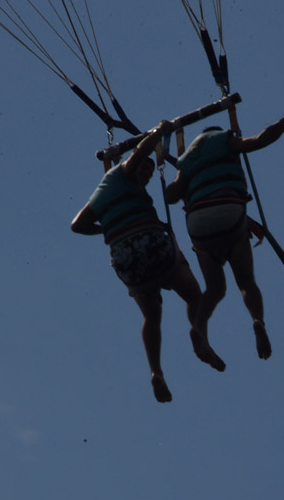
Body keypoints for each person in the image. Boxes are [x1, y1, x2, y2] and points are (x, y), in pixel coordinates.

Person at [71, 120, 225, 402]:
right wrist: (158, 132)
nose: (147, 175)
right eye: (146, 170)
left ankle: (156, 372)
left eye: (150, 174)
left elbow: (77, 226)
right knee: (194, 295)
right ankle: (199, 337)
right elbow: (139, 154)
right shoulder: (124, 172)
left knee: (151, 315)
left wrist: (109, 228)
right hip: (151, 245)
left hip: (126, 262)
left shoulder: (100, 194)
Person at [164, 100, 284, 360]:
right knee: (246, 282)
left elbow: (172, 196)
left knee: (215, 290)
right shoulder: (225, 140)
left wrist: (166, 175)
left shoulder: (186, 159)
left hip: (199, 225)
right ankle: (257, 321)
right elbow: (262, 139)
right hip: (228, 213)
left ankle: (199, 328)